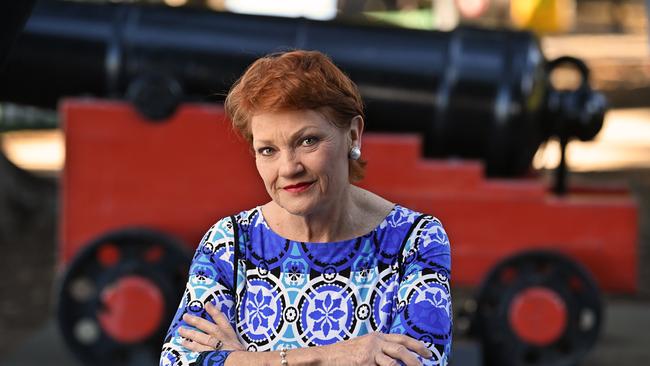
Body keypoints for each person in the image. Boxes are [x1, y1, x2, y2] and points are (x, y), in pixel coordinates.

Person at [160, 50, 452, 366]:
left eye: (307, 141)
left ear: (353, 134)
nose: (288, 168)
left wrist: (243, 360)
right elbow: (179, 361)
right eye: (268, 150)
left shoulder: (415, 240)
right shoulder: (228, 242)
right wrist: (337, 356)